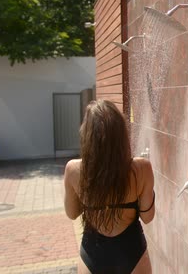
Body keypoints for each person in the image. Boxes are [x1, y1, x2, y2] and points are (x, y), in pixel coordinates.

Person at [63, 100, 155, 273]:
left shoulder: (74, 170)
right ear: (121, 134)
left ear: (87, 135)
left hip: (92, 253)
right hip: (132, 252)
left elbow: (72, 213)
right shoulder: (142, 168)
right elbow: (148, 217)